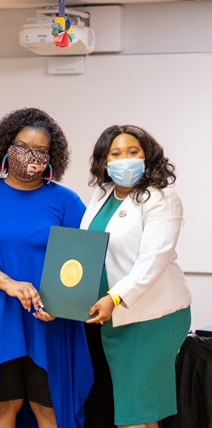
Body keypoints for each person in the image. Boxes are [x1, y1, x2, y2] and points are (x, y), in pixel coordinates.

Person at [0, 107, 93, 428]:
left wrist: (62, 303)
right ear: (6, 147)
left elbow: (82, 262)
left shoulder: (67, 202)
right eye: (23, 147)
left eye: (41, 150)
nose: (31, 156)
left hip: (49, 319)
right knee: (4, 405)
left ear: (52, 156)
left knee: (48, 407)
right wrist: (9, 284)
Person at [83, 125, 191, 428]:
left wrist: (115, 297)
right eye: (115, 153)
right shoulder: (101, 195)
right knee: (129, 409)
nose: (124, 159)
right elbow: (88, 248)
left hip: (151, 317)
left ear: (147, 156)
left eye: (133, 152)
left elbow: (153, 260)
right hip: (111, 319)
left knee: (138, 412)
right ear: (104, 161)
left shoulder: (162, 198)